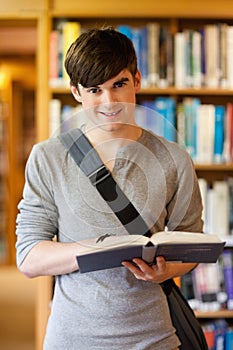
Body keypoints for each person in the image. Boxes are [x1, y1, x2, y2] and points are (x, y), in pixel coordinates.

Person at [16, 27, 203, 349]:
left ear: (137, 80)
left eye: (119, 85)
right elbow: (30, 258)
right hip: (72, 339)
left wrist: (167, 270)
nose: (110, 102)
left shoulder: (173, 158)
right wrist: (98, 250)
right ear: (75, 92)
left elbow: (193, 241)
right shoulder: (47, 156)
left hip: (155, 338)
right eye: (94, 90)